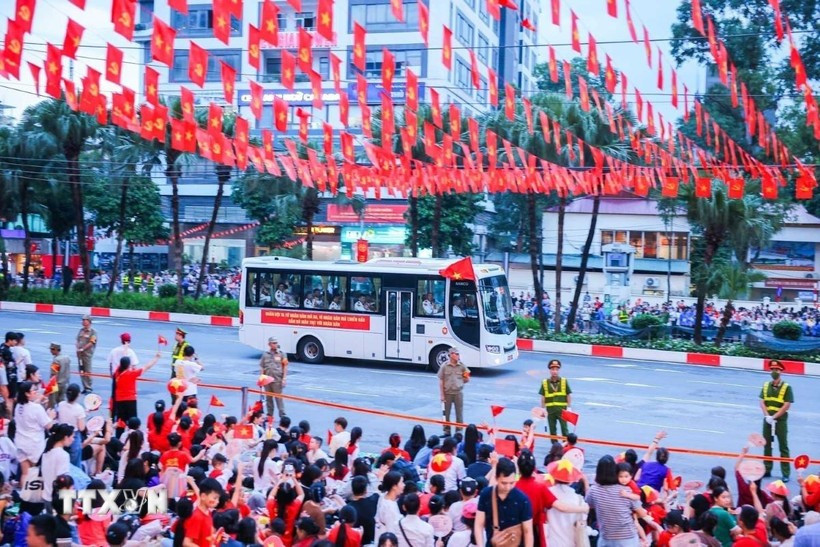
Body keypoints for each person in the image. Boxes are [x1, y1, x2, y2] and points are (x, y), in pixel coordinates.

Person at [586, 455, 658, 546]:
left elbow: (588, 505)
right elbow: (642, 513)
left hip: (606, 538)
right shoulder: (626, 491)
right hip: (627, 539)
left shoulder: (593, 490)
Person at [474, 457, 534, 547]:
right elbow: (479, 524)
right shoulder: (486, 494)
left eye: (511, 483)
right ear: (496, 478)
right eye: (504, 483)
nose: (508, 487)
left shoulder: (522, 499)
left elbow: (528, 531)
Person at [760, 359, 793, 481]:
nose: (774, 372)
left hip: (780, 421)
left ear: (781, 371)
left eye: (777, 370)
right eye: (773, 369)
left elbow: (787, 404)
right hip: (767, 420)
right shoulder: (765, 386)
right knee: (767, 445)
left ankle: (785, 473)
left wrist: (774, 417)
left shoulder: (786, 387)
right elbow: (762, 401)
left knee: (783, 446)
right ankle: (767, 469)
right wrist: (767, 416)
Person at [14, 380, 55, 477]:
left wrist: (39, 401)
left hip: (20, 443)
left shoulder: (18, 406)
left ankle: (23, 492)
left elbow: (30, 407)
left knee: (25, 474)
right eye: (33, 390)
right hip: (34, 445)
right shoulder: (37, 408)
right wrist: (51, 416)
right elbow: (49, 425)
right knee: (34, 474)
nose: (36, 392)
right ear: (27, 394)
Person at [112, 352, 161, 423]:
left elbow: (122, 362)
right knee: (133, 422)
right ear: (128, 365)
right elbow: (146, 367)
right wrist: (156, 358)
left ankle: (119, 434)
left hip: (119, 400)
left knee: (120, 422)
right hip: (130, 400)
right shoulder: (131, 374)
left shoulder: (117, 373)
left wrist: (125, 350)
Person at [438, 346, 470, 436]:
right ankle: (447, 431)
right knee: (446, 414)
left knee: (459, 413)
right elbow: (441, 380)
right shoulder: (444, 366)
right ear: (451, 355)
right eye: (456, 354)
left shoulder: (462, 366)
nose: (458, 356)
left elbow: (467, 378)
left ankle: (458, 431)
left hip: (458, 393)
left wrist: (460, 382)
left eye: (458, 354)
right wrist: (442, 395)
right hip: (447, 393)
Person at [539, 359, 572, 437]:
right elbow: (543, 397)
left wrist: (569, 407)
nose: (555, 371)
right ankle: (555, 446)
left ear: (559, 370)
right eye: (553, 369)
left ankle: (566, 446)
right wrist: (543, 409)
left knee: (565, 430)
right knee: (552, 431)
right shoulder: (545, 382)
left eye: (556, 369)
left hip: (562, 410)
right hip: (550, 411)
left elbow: (568, 395)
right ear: (550, 370)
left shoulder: (564, 381)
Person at [56, 384, 86, 467]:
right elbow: (81, 427)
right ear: (78, 395)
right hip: (73, 436)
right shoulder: (79, 408)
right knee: (75, 463)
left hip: (60, 434)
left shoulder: (60, 404)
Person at [259, 337, 288, 418]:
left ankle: (282, 414)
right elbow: (262, 366)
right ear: (269, 344)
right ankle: (270, 414)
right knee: (268, 398)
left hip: (277, 379)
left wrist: (284, 378)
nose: (276, 344)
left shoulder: (282, 354)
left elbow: (285, 366)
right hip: (267, 379)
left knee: (279, 397)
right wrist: (261, 378)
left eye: (276, 342)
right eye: (274, 343)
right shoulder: (265, 355)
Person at [376, 471, 404, 538]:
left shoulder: (383, 496)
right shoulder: (389, 507)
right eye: (401, 482)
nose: (404, 485)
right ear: (394, 486)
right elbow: (391, 532)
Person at [75, 314, 97, 393]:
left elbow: (91, 342)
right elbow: (77, 340)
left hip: (87, 355)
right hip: (80, 355)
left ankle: (89, 387)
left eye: (85, 320)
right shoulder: (81, 330)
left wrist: (82, 349)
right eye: (83, 320)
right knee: (81, 371)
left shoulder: (93, 332)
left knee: (87, 371)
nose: (83, 322)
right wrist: (77, 349)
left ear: (89, 322)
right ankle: (84, 386)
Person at [47, 342, 71, 407]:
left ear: (56, 350)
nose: (50, 351)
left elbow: (53, 374)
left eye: (52, 349)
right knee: (61, 402)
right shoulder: (66, 358)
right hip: (65, 383)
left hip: (56, 384)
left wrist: (50, 385)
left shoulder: (56, 361)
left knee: (52, 403)